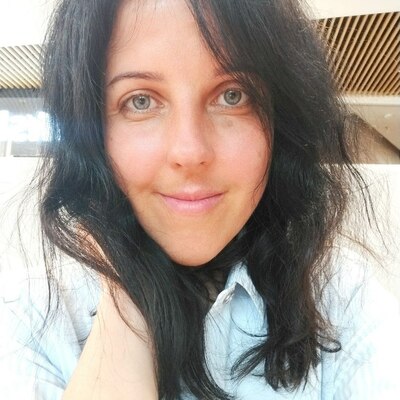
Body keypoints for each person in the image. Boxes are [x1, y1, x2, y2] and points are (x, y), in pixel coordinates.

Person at [0, 0, 399, 399]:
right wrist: (124, 302)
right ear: (90, 132)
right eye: (140, 101)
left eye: (232, 95)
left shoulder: (342, 297)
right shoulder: (32, 318)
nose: (190, 152)